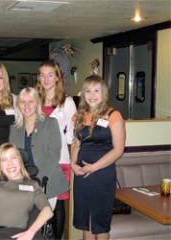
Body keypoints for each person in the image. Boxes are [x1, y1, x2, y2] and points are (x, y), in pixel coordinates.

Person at [70, 75, 125, 240]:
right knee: (85, 219)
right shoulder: (79, 116)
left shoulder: (113, 116)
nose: (92, 95)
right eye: (88, 91)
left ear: (104, 93)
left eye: (96, 91)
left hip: (102, 174)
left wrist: (93, 167)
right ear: (83, 93)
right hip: (81, 175)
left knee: (100, 220)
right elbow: (77, 145)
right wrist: (73, 164)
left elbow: (118, 150)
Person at [9, 87, 70, 210]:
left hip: (47, 180)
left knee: (42, 223)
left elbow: (53, 155)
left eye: (31, 101)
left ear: (37, 103)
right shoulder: (14, 128)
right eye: (22, 102)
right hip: (22, 183)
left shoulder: (50, 123)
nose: (26, 105)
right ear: (18, 105)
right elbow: (12, 157)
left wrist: (38, 181)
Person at [36, 59, 77, 239]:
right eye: (42, 75)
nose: (46, 79)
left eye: (50, 75)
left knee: (58, 205)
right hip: (37, 161)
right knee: (39, 204)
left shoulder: (67, 102)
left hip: (59, 159)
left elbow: (71, 134)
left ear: (57, 77)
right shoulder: (34, 100)